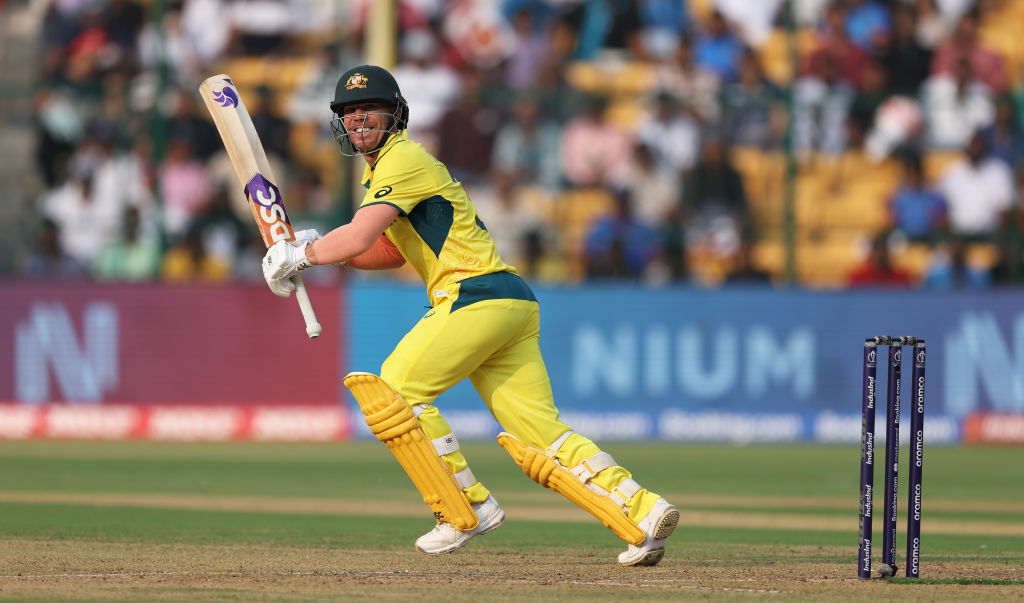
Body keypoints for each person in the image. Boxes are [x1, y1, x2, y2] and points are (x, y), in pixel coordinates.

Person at [260, 65, 678, 566]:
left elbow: (356, 236)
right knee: (539, 435)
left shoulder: (402, 159)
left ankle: (466, 507)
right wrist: (312, 246)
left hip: (473, 295)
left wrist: (303, 255)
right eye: (349, 112)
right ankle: (644, 513)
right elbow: (387, 251)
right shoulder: (388, 170)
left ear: (396, 114)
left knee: (394, 389)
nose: (359, 119)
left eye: (368, 108)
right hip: (510, 301)